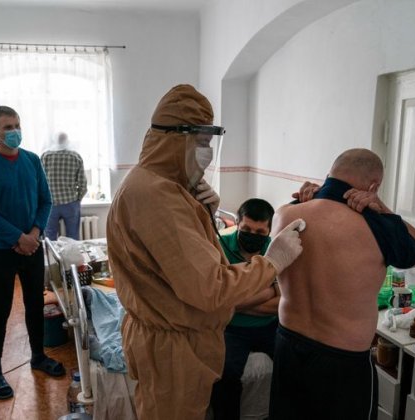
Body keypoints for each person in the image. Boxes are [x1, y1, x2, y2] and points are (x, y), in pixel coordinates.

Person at [106, 84, 305, 420]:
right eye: (200, 142)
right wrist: (272, 261)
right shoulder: (157, 197)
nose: (207, 153)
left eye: (210, 142)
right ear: (174, 140)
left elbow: (191, 262)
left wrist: (201, 214)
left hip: (174, 340)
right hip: (173, 349)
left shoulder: (159, 186)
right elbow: (211, 287)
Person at [269, 148, 415, 420]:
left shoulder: (285, 213)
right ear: (373, 187)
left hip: (288, 345)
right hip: (342, 361)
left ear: (329, 175)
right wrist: (384, 209)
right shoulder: (378, 225)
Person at [0, 105, 66, 400]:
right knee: (0, 310)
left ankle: (38, 356)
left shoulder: (32, 160)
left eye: (17, 125)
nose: (14, 132)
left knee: (35, 303)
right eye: (7, 127)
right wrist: (17, 238)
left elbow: (45, 201)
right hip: (0, 250)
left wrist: (34, 234)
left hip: (32, 246)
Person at [211, 198, 278, 420]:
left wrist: (234, 301)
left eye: (260, 232)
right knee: (224, 374)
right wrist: (268, 292)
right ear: (237, 224)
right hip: (231, 327)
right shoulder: (219, 246)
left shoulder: (275, 250)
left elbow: (282, 303)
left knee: (293, 368)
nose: (252, 235)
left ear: (269, 231)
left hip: (270, 325)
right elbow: (216, 298)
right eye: (246, 229)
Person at [41, 132, 88, 240]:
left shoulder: (45, 156)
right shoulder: (75, 156)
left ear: (54, 141)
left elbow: (39, 182)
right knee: (73, 236)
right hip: (70, 203)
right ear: (67, 141)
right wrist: (78, 199)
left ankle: (52, 252)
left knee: (50, 237)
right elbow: (82, 183)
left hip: (50, 204)